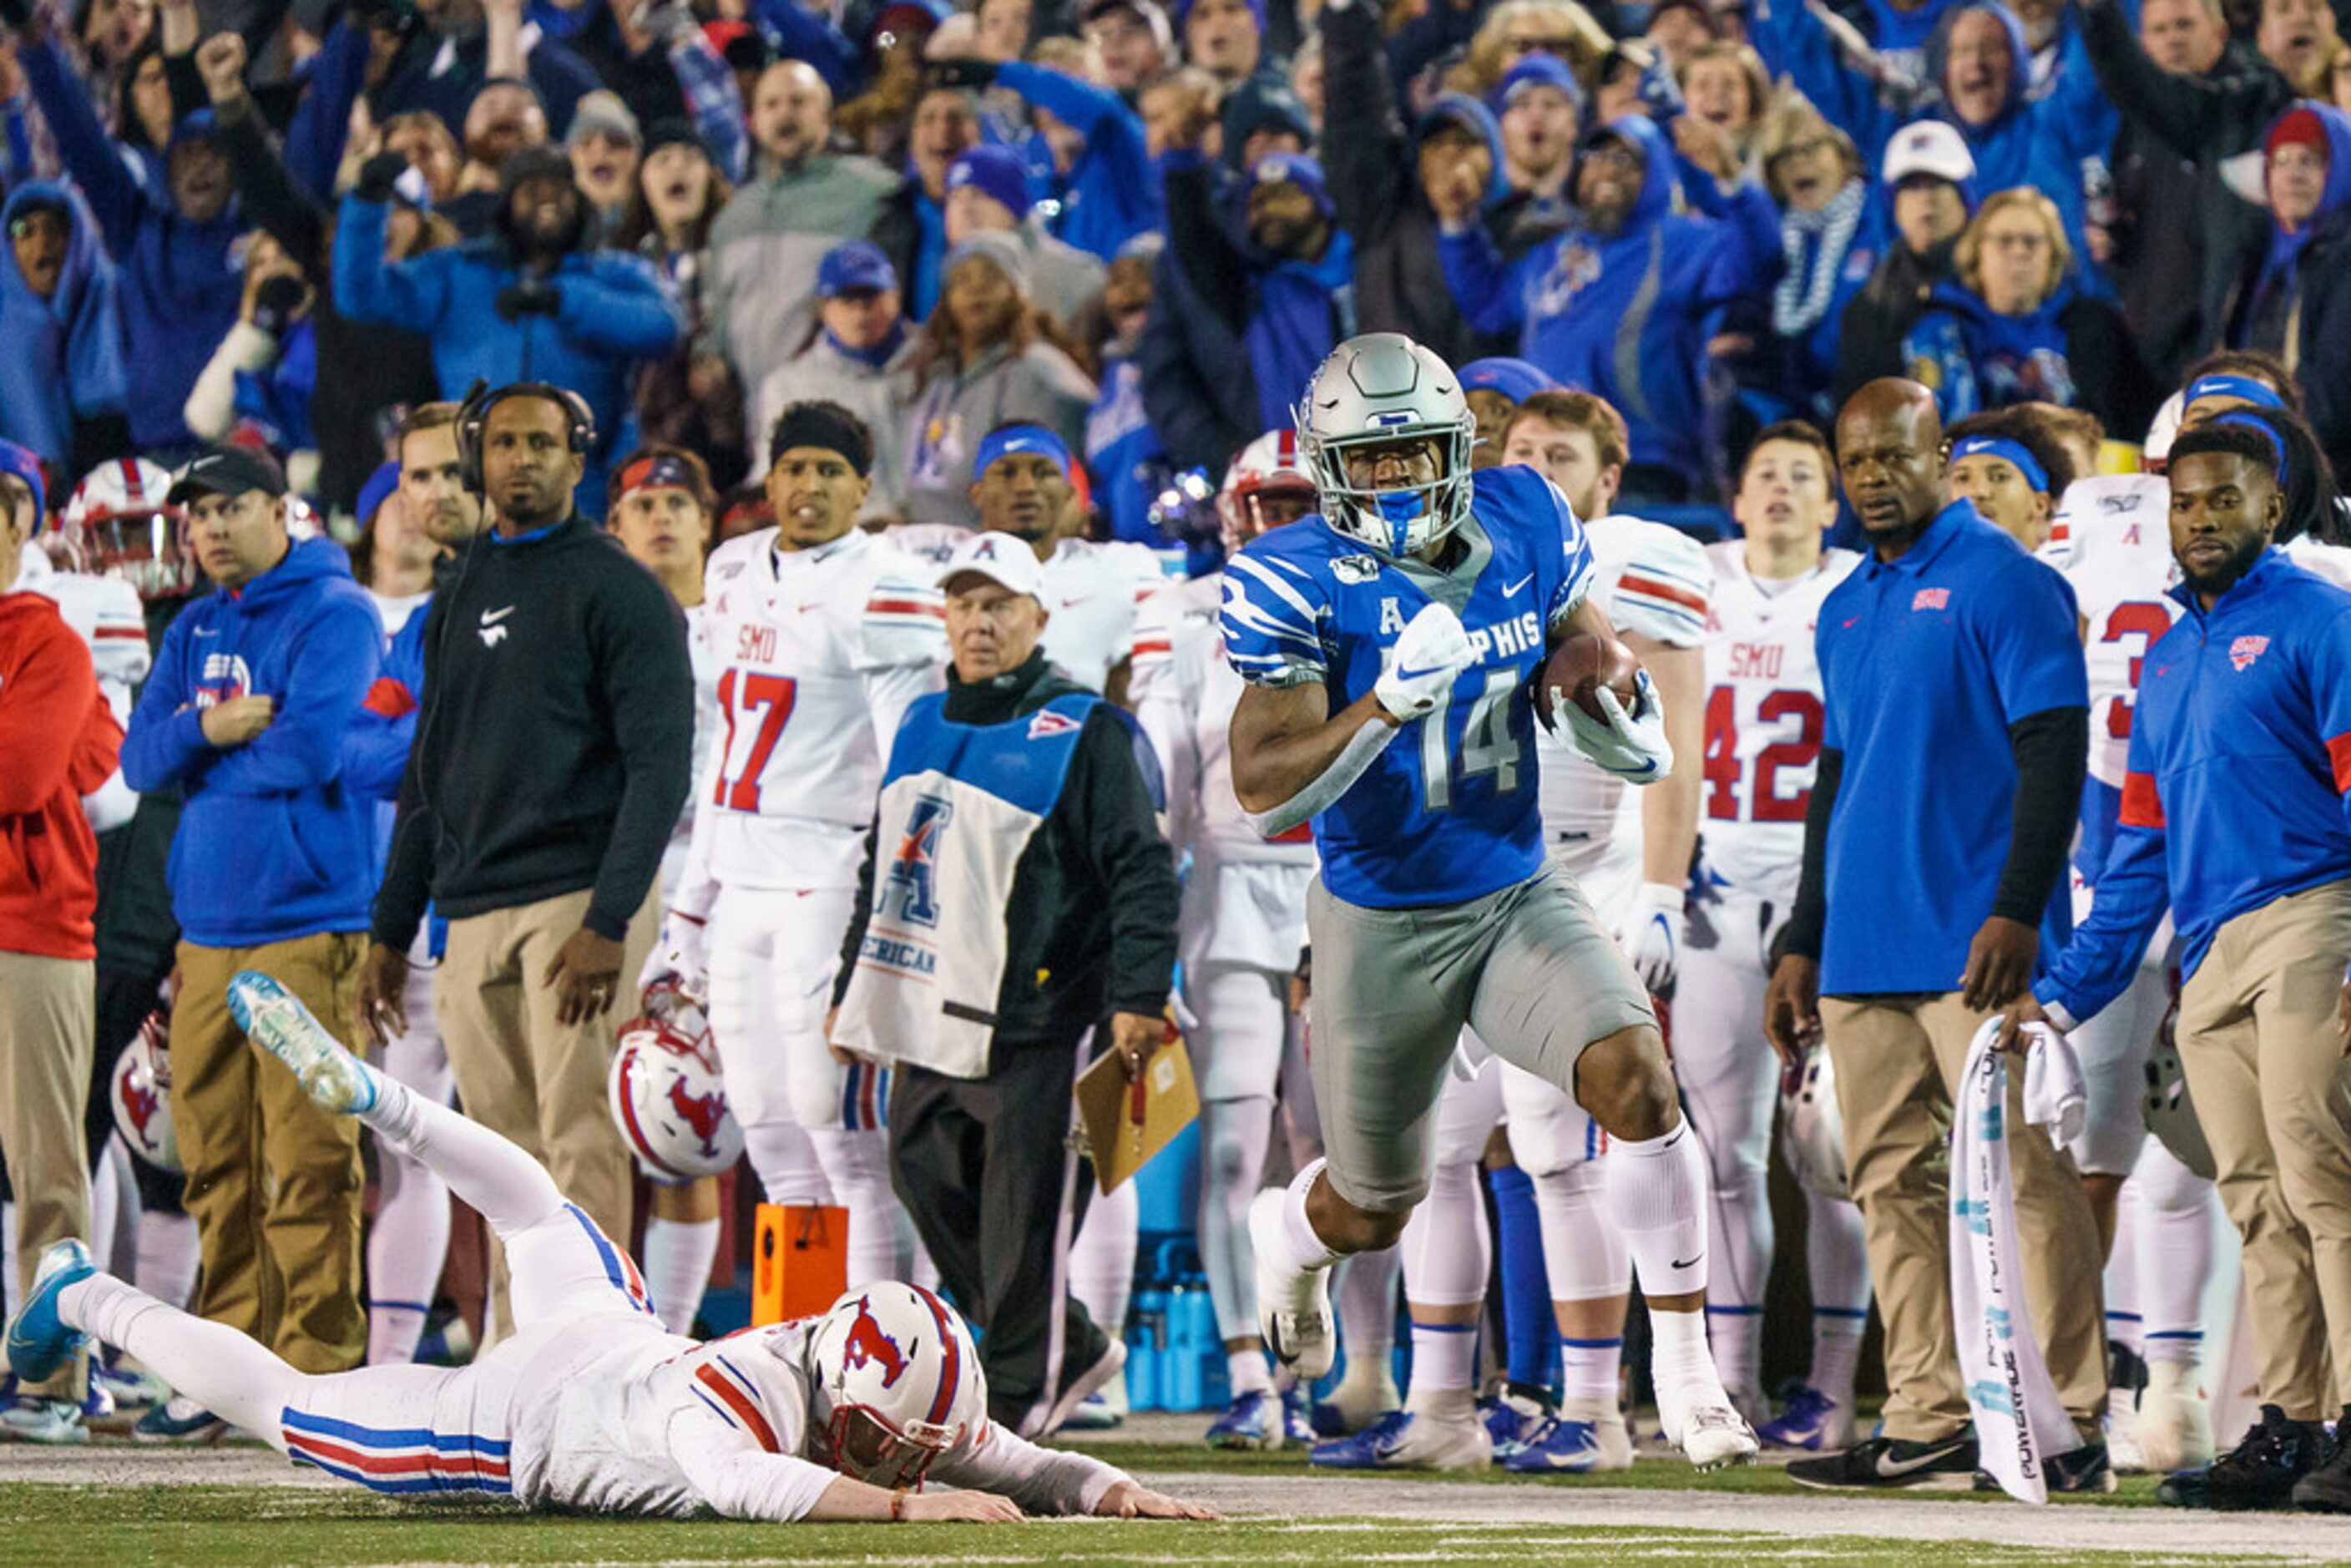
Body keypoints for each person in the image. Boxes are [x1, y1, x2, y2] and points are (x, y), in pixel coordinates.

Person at [3, 973, 1213, 1525]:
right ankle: (89, 1289)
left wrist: (1113, 1489)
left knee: (534, 1207)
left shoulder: (846, 1354)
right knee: (289, 1403)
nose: (916, 1463)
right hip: (502, 1422)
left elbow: (997, 1452)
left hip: (614, 1333)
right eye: (898, 1449)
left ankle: (379, 1094)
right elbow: (752, 1482)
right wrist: (906, 1516)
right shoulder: (734, 1407)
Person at [1220, 332, 1757, 1471]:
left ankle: (1690, 1367)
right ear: (1327, 466)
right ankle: (1288, 1234)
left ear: (1458, 447)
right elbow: (1265, 790)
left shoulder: (1527, 514)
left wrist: (1606, 682)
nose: (1398, 479)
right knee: (1377, 1204)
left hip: (1516, 888)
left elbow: (1585, 645)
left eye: (1417, 450)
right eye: (1370, 460)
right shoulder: (1291, 572)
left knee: (1640, 1084)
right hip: (1379, 916)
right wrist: (1380, 706)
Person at [1763, 378, 2105, 1491]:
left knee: (2026, 1177)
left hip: (1974, 940)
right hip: (1862, 947)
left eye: (1890, 459)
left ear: (1939, 457)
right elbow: (1836, 777)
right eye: (1853, 462)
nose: (1870, 480)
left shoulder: (2009, 582)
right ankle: (1928, 1415)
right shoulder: (1843, 602)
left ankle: (2072, 1421)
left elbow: (2055, 752)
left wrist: (2016, 908)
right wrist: (1801, 938)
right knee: (1888, 1187)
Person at [2010, 419, 2351, 1514]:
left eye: (2223, 498)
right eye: (2185, 501)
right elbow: (2141, 852)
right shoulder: (2164, 653)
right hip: (2207, 949)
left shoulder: (2324, 620)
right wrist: (2063, 994)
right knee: (2257, 1196)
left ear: (2274, 503)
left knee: (2324, 1179)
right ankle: (2294, 1423)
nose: (2200, 518)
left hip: (2313, 914)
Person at [356, 382, 694, 1343]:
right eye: (503, 444)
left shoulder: (619, 586)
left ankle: (593, 1358)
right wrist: (391, 925)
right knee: (501, 1159)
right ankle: (516, 1361)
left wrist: (610, 919)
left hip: (577, 902)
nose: (521, 461)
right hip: (473, 908)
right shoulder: (458, 588)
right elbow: (433, 766)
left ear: (577, 462)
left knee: (579, 1140)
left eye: (542, 443)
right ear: (481, 459)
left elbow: (659, 767)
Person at [832, 529, 1180, 1439]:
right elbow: (884, 863)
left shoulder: (1088, 729)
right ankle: (1067, 1337)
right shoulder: (917, 720)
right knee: (919, 1173)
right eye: (963, 605)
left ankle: (1021, 1400)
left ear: (1039, 616)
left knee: (1023, 1213)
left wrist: (1137, 994)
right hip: (925, 1003)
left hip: (1037, 1009)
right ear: (942, 617)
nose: (978, 624)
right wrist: (848, 986)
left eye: (997, 607)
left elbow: (1141, 869)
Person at [645, 402, 940, 1293]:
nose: (807, 487)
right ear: (768, 481)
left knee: (843, 1136)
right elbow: (724, 751)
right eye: (793, 469)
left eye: (828, 471)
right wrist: (686, 914)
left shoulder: (884, 583)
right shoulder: (732, 569)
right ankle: (803, 1351)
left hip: (829, 877)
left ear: (862, 486)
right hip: (738, 879)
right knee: (769, 1132)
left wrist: (886, 928)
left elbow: (910, 771)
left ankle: (888, 1355)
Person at [118, 443, 383, 1411]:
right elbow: (139, 759)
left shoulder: (337, 612)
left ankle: (315, 1374)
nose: (211, 528)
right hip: (207, 930)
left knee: (309, 1157)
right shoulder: (191, 624)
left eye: (231, 508)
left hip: (307, 922)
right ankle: (231, 1376)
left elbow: (312, 749)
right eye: (197, 516)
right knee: (214, 1162)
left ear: (284, 511)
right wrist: (209, 731)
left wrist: (207, 752)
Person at [1132, 430, 1325, 1449]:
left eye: (1302, 503)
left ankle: (1347, 1369)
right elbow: (1163, 787)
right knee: (1236, 1153)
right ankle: (1256, 1377)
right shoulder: (1188, 616)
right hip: (1227, 891)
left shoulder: (1367, 600)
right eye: (1268, 504)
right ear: (1235, 513)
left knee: (1338, 1155)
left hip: (1341, 892)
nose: (1283, 523)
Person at [1682, 422, 1870, 1453]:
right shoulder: (1691, 579)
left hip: (1826, 897)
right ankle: (1731, 1383)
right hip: (1713, 894)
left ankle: (1833, 1389)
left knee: (1832, 1155)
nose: (1787, 490)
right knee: (1720, 1155)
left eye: (1806, 476)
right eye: (1767, 474)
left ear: (1830, 504)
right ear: (1737, 498)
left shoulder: (1857, 588)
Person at [1436, 114, 1779, 503]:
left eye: (1627, 159)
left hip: (1642, 465)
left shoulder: (1684, 242)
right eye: (1596, 156)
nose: (1607, 170)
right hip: (1544, 460)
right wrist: (1458, 224)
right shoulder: (1554, 252)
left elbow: (1762, 260)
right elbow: (1489, 306)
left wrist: (1730, 180)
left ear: (1657, 171)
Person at [334, 141, 687, 517]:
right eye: (532, 192)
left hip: (584, 492)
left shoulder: (614, 272)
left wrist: (562, 300)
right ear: (507, 205)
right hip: (477, 491)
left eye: (560, 192)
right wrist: (368, 204)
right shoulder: (461, 272)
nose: (547, 202)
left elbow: (665, 327)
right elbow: (361, 296)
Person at [0, 439, 124, 1443]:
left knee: (46, 1170)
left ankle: (55, 1380)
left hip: (29, 926)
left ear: (19, 526)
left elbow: (25, 776)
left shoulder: (52, 643)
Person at [605, 444, 729, 1337]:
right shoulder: (593, 616)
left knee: (682, 1121)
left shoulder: (744, 612)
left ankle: (672, 1337)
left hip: (717, 880)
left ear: (706, 520)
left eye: (675, 502)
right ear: (614, 524)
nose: (659, 517)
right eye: (641, 504)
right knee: (591, 1124)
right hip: (613, 877)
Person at [2079, 0, 2294, 391]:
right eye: (2160, 31)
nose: (2173, 39)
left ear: (2220, 32)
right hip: (2152, 344)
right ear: (2143, 42)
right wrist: (2116, 243)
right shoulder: (2136, 125)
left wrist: (2098, 14)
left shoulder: (2244, 105)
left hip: (2223, 344)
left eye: (2184, 25)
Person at [1141, 149, 1357, 477]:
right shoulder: (1248, 293)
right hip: (1279, 481)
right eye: (1256, 203)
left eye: (1283, 195)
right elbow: (1195, 241)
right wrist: (1227, 456)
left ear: (1321, 201)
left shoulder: (1363, 273)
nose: (1268, 210)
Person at [700, 61, 901, 410]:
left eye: (797, 101)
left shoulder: (873, 191)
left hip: (846, 406)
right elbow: (719, 322)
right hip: (754, 418)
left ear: (825, 114)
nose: (784, 113)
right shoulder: (732, 218)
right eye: (771, 104)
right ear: (755, 120)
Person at [1900, 188, 2158, 437]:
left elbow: (2136, 423)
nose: (2019, 252)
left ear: (2054, 256)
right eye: (2004, 241)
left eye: (2031, 241)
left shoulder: (2096, 327)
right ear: (1977, 254)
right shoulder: (1939, 331)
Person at [902, 235, 1095, 529]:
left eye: (992, 277)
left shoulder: (1038, 371)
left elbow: (1046, 494)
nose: (976, 289)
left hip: (995, 555)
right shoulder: (938, 377)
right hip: (925, 549)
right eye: (962, 279)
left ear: (1018, 293)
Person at [2223, 104, 2351, 482]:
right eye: (2281, 160)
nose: (2293, 173)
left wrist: (2268, 446)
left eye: (2310, 160)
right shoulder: (2254, 254)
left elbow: (2336, 387)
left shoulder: (2344, 256)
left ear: (2341, 169)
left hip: (2324, 471)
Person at [751, 240, 916, 514]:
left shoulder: (936, 362)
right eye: (847, 299)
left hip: (937, 529)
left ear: (894, 298)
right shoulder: (790, 385)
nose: (860, 311)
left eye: (870, 296)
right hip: (851, 535)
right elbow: (771, 476)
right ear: (823, 306)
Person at [1837, 120, 1977, 404]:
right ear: (1895, 207)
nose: (1926, 198)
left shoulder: (1998, 288)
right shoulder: (1868, 310)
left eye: (1939, 183)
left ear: (1965, 198)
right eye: (1911, 186)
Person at [0, 180, 126, 476]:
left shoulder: (114, 301)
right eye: (25, 232)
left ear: (78, 238)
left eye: (55, 228)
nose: (42, 243)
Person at [1942, 407, 2075, 552]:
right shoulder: (1927, 571)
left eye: (1999, 477)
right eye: (1962, 478)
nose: (1978, 491)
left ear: (2040, 504)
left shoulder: (2068, 573)